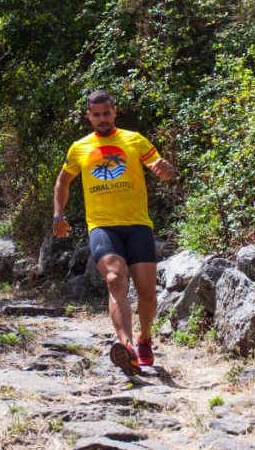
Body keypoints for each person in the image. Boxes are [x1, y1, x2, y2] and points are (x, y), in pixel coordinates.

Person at [52, 90, 177, 374]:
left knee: (146, 292)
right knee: (114, 278)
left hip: (138, 225)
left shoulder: (134, 140)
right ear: (89, 116)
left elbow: (161, 167)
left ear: (114, 112)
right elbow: (63, 182)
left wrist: (166, 170)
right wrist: (58, 214)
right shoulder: (80, 148)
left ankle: (145, 338)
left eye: (106, 114)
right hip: (102, 225)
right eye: (96, 115)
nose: (102, 119)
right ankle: (127, 346)